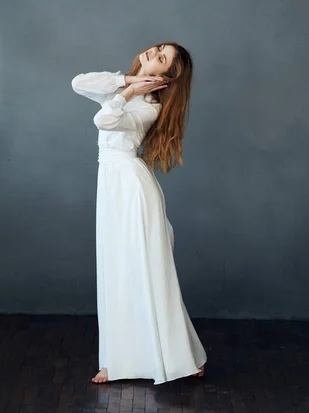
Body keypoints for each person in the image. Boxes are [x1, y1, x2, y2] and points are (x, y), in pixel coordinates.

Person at [71, 42, 207, 385]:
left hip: (132, 189)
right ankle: (116, 360)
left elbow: (105, 119)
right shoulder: (124, 86)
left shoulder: (149, 106)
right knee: (116, 270)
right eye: (158, 48)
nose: (153, 52)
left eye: (161, 58)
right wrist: (128, 81)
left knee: (145, 271)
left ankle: (179, 358)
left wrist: (130, 90)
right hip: (113, 186)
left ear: (165, 78)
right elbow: (79, 82)